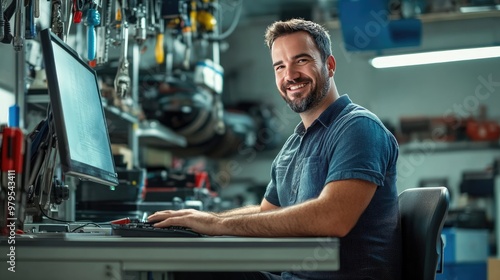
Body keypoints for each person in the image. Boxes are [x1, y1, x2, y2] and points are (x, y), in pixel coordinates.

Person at [148, 18, 402, 280]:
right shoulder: (294, 144)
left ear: (330, 65)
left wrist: (216, 224)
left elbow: (332, 218)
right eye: (280, 66)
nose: (290, 76)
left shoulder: (357, 128)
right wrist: (202, 220)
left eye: (301, 60)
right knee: (190, 267)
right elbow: (266, 214)